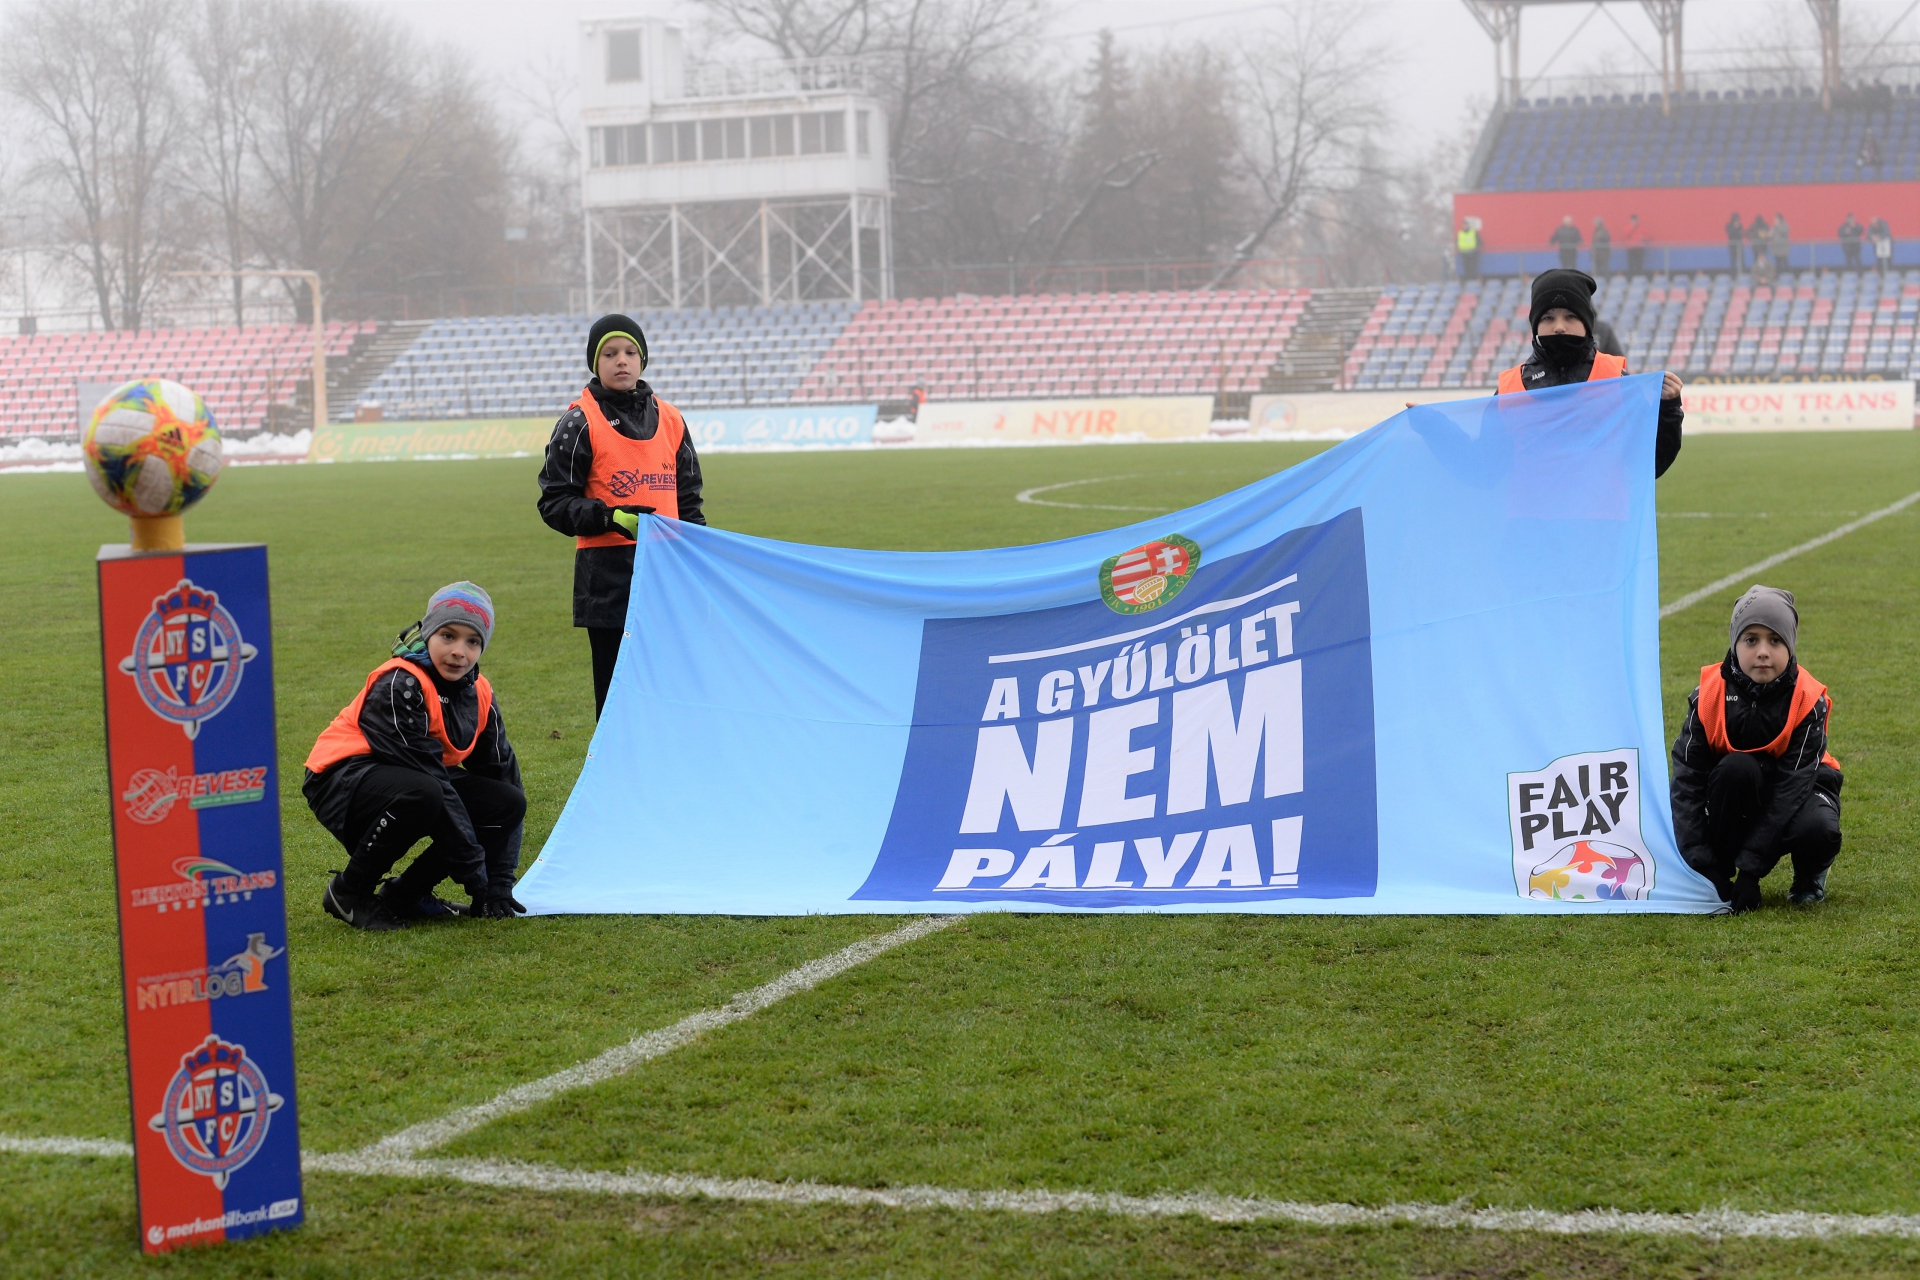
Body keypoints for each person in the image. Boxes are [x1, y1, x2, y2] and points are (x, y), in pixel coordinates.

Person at [304, 583, 526, 931]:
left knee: (507, 802)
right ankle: (349, 891)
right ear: (427, 633)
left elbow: (504, 778)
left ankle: (406, 894)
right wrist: (475, 875)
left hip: (416, 778)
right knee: (424, 793)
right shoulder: (400, 682)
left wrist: (500, 882)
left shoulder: (480, 691)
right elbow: (430, 778)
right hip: (339, 777)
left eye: (473, 641)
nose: (459, 651)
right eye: (448, 636)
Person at [536, 313, 707, 719]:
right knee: (617, 700)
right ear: (595, 363)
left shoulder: (671, 419)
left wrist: (698, 559)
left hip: (666, 576)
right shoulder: (579, 421)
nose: (621, 361)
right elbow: (554, 503)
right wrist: (610, 518)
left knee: (670, 690)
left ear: (642, 359)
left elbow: (689, 503)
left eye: (630, 352)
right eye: (609, 353)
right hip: (607, 581)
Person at [1670, 586, 1841, 913]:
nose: (1763, 651)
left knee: (1817, 828)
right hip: (1739, 790)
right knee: (1736, 770)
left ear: (1790, 646)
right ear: (1734, 644)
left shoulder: (1808, 700)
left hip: (1799, 790)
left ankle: (1809, 876)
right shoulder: (1708, 694)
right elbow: (1687, 783)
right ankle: (1720, 874)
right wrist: (1704, 864)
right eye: (1751, 640)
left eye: (1775, 640)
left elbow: (1790, 791)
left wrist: (1750, 873)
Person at [1494, 268, 1683, 477]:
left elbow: (1649, 462)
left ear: (1587, 323)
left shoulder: (1617, 380)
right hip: (1530, 500)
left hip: (1606, 500)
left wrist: (1669, 409)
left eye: (1570, 316)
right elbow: (1489, 468)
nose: (1559, 327)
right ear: (1535, 325)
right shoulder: (1509, 389)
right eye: (1548, 317)